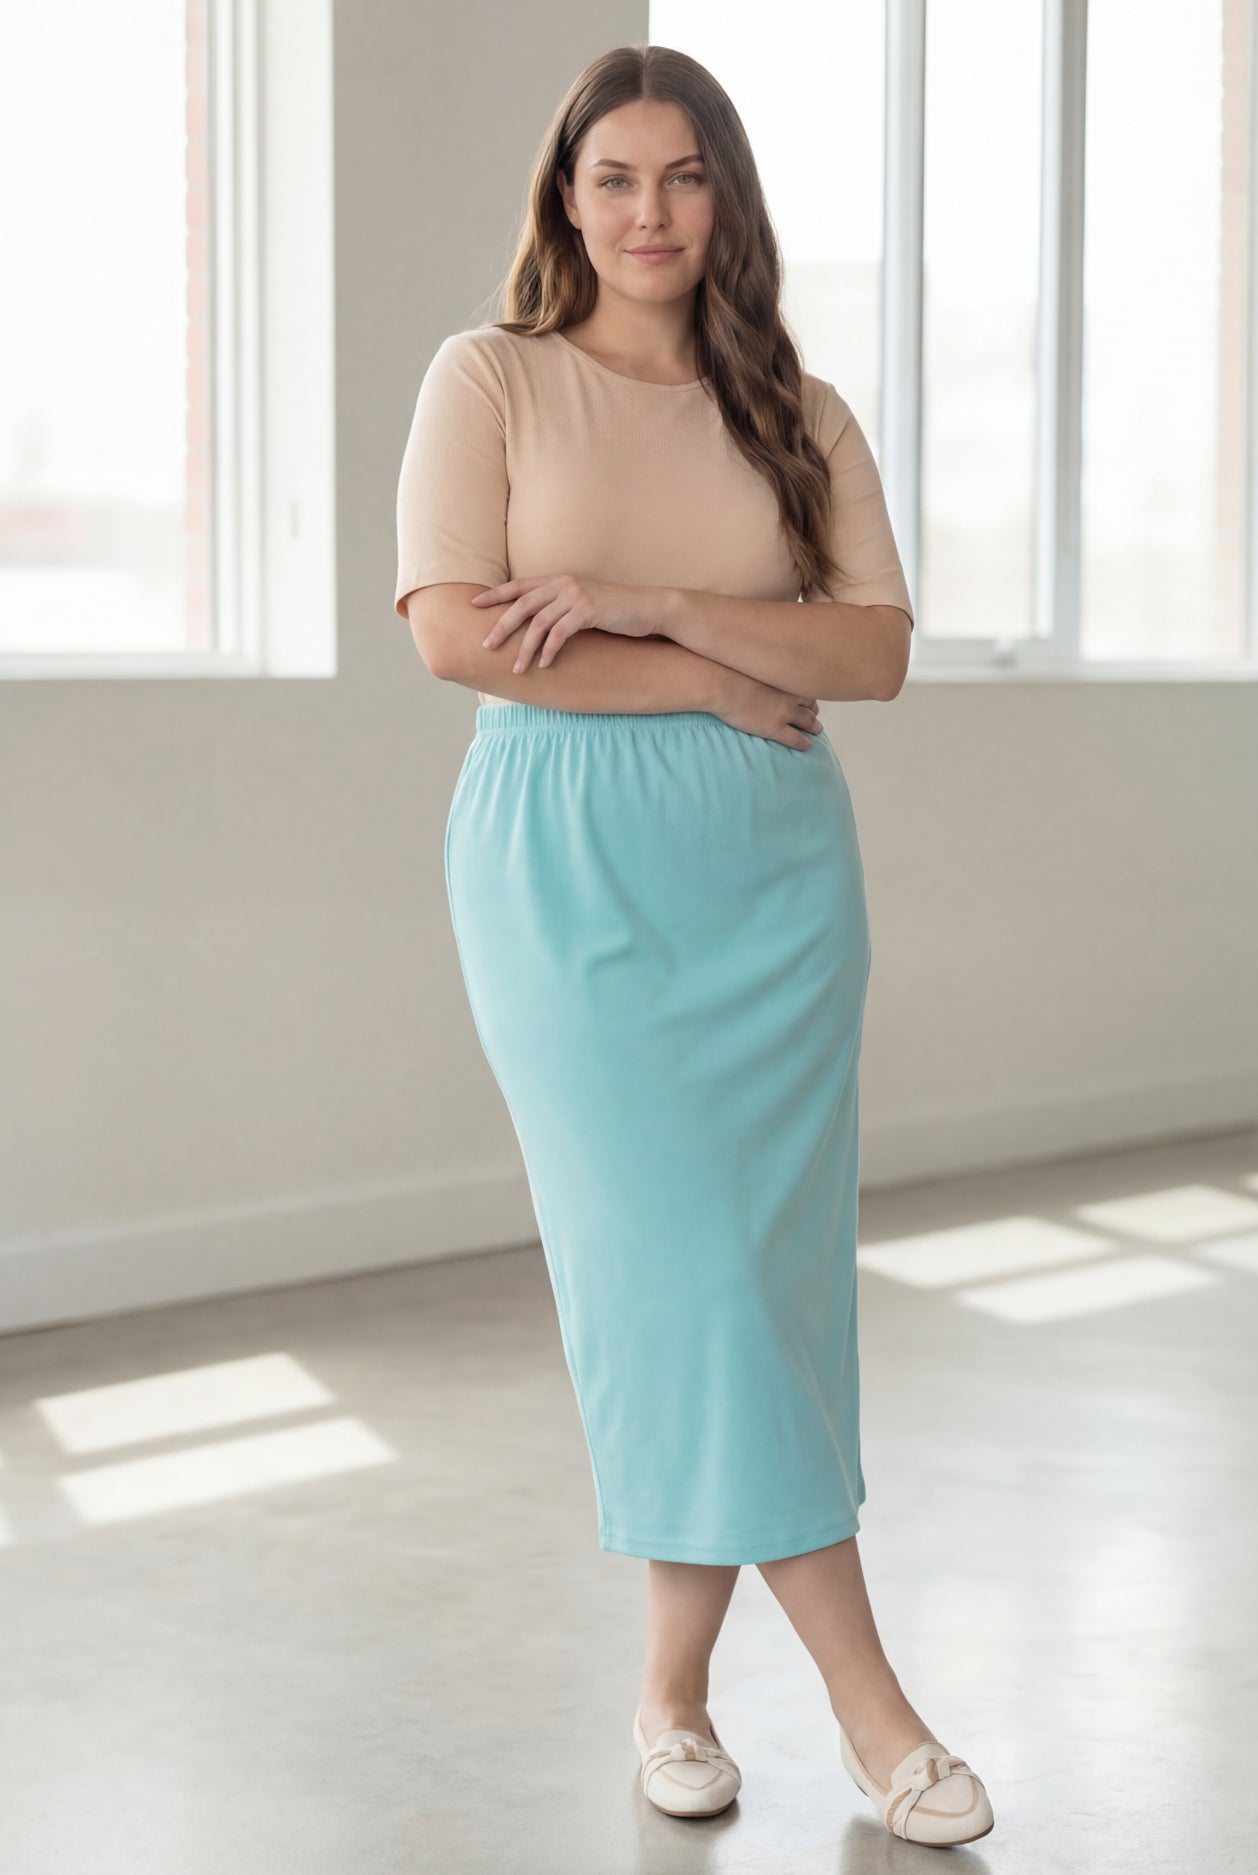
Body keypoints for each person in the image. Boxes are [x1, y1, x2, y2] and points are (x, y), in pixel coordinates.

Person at [393, 42, 994, 1850]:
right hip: (564, 868)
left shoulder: (794, 411)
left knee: (747, 1281)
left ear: (725, 198)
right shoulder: (486, 376)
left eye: (683, 177)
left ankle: (665, 1700)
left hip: (776, 886)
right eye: (613, 179)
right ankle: (872, 1712)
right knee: (685, 1275)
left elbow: (873, 652)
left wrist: (649, 604)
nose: (647, 212)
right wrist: (725, 673)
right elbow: (454, 634)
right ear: (565, 200)